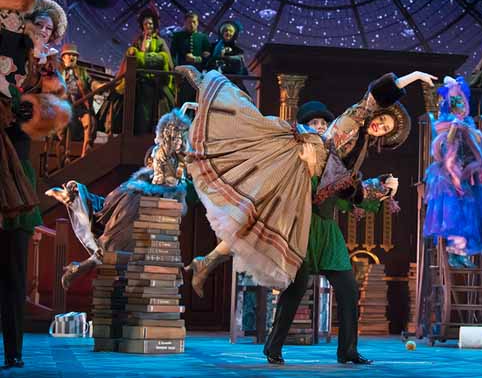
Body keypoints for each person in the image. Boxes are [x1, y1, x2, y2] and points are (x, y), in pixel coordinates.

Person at [176, 64, 433, 295]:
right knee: (252, 127)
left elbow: (347, 188)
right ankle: (205, 85)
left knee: (256, 220)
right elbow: (377, 93)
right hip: (297, 155)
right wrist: (413, 76)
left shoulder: (359, 149)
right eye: (383, 120)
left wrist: (382, 188)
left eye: (386, 129)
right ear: (378, 114)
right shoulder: (358, 114)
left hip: (306, 181)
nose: (381, 126)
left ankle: (207, 262)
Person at [264, 100, 398, 365]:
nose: (319, 127)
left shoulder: (335, 161)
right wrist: (307, 166)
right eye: (314, 123)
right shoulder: (293, 156)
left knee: (348, 291)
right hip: (302, 231)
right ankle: (273, 346)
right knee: (294, 290)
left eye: (323, 123)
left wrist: (384, 188)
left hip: (327, 233)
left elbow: (350, 196)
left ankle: (348, 351)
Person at [0, 0, 72, 369]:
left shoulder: (46, 72)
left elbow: (51, 116)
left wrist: (30, 102)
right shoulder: (9, 46)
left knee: (14, 267)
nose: (44, 32)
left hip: (17, 173)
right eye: (38, 24)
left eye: (49, 29)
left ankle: (13, 350)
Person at [45, 109, 191, 289]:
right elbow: (164, 179)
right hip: (144, 202)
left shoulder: (172, 160)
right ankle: (75, 201)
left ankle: (87, 260)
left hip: (149, 205)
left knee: (138, 252)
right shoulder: (157, 163)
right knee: (124, 244)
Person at [423, 76, 482, 267]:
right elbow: (442, 149)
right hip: (449, 175)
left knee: (472, 208)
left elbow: (478, 145)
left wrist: (467, 132)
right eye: (456, 102)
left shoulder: (469, 126)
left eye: (462, 101)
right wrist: (454, 130)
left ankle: (462, 251)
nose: (460, 106)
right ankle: (455, 250)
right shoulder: (445, 124)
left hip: (468, 172)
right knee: (454, 207)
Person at [116, 5, 174, 134]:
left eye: (150, 24)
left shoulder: (160, 42)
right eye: (146, 24)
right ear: (142, 25)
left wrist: (146, 58)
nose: (148, 26)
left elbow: (167, 61)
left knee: (163, 105)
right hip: (139, 80)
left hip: (156, 81)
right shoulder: (138, 41)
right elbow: (131, 57)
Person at [55, 43, 94, 162]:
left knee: (89, 121)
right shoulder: (58, 71)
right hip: (64, 106)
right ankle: (64, 155)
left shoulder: (82, 71)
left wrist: (98, 86)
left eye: (74, 56)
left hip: (80, 105)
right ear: (63, 57)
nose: (72, 58)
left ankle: (85, 152)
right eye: (69, 55)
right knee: (64, 125)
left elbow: (91, 82)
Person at [170, 11, 210, 103]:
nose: (191, 24)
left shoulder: (203, 37)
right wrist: (176, 70)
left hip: (198, 76)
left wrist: (196, 59)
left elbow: (208, 57)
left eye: (194, 22)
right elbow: (172, 54)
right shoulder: (178, 36)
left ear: (197, 23)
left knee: (196, 100)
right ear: (185, 23)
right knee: (182, 100)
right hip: (183, 76)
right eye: (189, 22)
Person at [205, 20, 247, 92]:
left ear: (234, 34)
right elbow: (208, 63)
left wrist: (226, 58)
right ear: (222, 32)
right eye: (226, 30)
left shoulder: (238, 51)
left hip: (233, 83)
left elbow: (242, 69)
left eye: (231, 31)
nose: (228, 33)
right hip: (214, 81)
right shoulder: (212, 47)